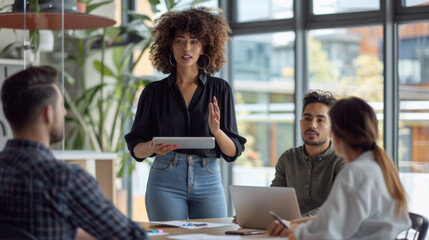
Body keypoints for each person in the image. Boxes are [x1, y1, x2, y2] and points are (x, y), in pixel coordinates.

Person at [124, 7, 246, 221]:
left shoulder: (220, 89)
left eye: (194, 41)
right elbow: (136, 148)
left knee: (214, 237)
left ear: (204, 47)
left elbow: (233, 151)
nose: (186, 48)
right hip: (164, 179)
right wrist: (152, 147)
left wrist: (217, 132)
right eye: (180, 40)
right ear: (169, 46)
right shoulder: (153, 93)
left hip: (207, 177)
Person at [0, 66, 148, 240]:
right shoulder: (63, 179)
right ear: (47, 113)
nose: (64, 112)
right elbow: (133, 237)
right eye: (61, 106)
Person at [268, 97, 411, 239]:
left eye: (321, 120)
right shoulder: (377, 165)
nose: (313, 125)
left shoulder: (356, 172)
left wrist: (296, 232)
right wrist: (294, 225)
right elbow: (334, 220)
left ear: (335, 133)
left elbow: (329, 235)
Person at [271, 90, 345, 217]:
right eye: (307, 118)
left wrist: (298, 221)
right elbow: (273, 198)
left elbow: (338, 205)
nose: (312, 125)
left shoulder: (343, 161)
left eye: (320, 120)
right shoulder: (288, 158)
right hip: (290, 231)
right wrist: (256, 212)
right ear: (301, 123)